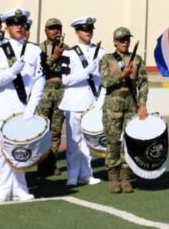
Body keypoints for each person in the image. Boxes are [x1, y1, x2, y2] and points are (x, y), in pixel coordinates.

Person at [0, 8, 46, 203]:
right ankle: (2, 190)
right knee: (3, 151)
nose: (19, 27)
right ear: (7, 27)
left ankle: (20, 188)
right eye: (14, 24)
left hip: (25, 108)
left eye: (21, 24)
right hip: (4, 108)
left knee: (22, 150)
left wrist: (31, 106)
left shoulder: (35, 50)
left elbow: (40, 80)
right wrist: (12, 71)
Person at [99, 27, 149, 194]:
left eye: (127, 39)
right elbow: (105, 81)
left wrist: (142, 104)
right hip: (113, 103)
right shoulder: (106, 59)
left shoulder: (137, 60)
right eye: (121, 39)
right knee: (113, 142)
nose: (125, 42)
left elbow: (143, 83)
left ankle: (125, 177)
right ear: (115, 42)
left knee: (129, 142)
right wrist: (122, 75)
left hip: (130, 103)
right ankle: (113, 178)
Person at [59, 16, 105, 186]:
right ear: (77, 32)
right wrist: (86, 72)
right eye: (85, 30)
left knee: (89, 140)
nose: (88, 33)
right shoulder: (68, 53)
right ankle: (72, 175)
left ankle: (86, 174)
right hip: (74, 103)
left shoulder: (101, 52)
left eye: (90, 30)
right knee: (73, 141)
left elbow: (104, 80)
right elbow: (65, 80)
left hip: (93, 102)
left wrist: (101, 100)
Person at [36, 17, 67, 177]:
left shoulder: (67, 49)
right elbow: (40, 68)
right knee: (42, 129)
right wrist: (55, 56)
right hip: (44, 90)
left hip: (61, 90)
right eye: (52, 28)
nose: (56, 31)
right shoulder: (38, 48)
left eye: (58, 28)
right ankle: (41, 164)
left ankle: (52, 162)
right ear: (46, 31)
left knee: (56, 130)